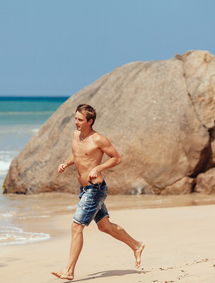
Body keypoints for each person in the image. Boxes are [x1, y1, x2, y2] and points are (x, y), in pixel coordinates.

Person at [51, 104, 145, 281]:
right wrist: (66, 163)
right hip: (85, 189)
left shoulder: (99, 139)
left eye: (80, 120)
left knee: (76, 226)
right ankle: (136, 245)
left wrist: (99, 168)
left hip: (95, 189)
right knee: (104, 227)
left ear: (90, 121)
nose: (76, 122)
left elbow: (117, 158)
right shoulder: (75, 136)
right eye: (75, 118)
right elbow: (77, 154)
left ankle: (69, 270)